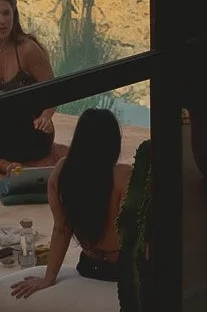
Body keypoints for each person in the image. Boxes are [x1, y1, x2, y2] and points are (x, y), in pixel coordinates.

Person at [12, 106, 128, 299]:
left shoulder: (62, 170)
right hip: (121, 270)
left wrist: (49, 278)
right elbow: (135, 232)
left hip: (89, 267)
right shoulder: (124, 176)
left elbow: (61, 229)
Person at [0, 0, 69, 175]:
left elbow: (53, 92)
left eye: (6, 13)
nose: (2, 21)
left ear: (14, 15)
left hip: (27, 130)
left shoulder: (28, 50)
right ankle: (4, 164)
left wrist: (46, 116)